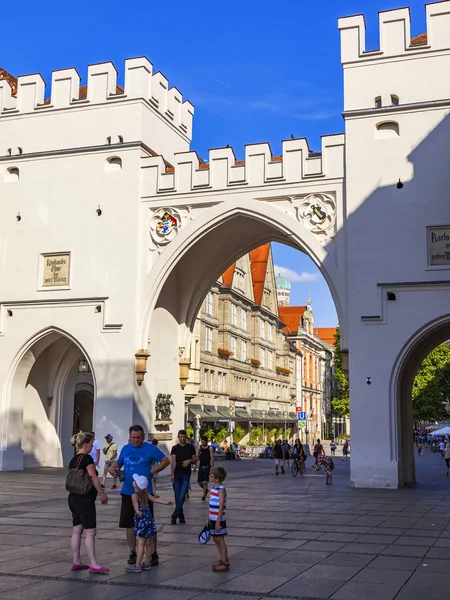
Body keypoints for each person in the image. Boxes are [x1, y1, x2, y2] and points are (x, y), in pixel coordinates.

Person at [109, 425, 170, 566]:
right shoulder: (126, 448)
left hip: (144, 493)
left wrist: (152, 471)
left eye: (138, 438)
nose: (136, 440)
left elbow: (166, 461)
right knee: (129, 525)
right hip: (127, 492)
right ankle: (132, 551)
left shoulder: (150, 448)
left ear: (143, 436)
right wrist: (113, 469)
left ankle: (153, 553)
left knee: (148, 524)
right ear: (130, 437)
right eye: (133, 438)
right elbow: (118, 464)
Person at [68, 431, 109, 573]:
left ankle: (76, 561)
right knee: (90, 532)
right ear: (86, 444)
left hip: (73, 497)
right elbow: (93, 477)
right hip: (85, 499)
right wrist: (102, 494)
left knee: (77, 530)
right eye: (91, 443)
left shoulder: (73, 459)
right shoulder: (87, 459)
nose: (92, 446)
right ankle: (93, 564)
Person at [126, 474, 174, 573]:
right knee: (148, 543)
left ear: (136, 485)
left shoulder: (134, 495)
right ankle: (147, 563)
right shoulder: (146, 493)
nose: (134, 482)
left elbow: (135, 506)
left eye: (135, 481)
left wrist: (137, 511)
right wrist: (165, 502)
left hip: (141, 521)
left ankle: (137, 565)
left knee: (140, 543)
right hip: (149, 520)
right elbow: (155, 499)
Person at [170, 430, 197, 524]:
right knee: (177, 495)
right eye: (181, 437)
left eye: (184, 437)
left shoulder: (190, 447)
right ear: (178, 437)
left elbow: (195, 458)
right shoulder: (175, 448)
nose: (182, 438)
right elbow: (173, 462)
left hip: (186, 474)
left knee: (182, 496)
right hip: (177, 474)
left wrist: (189, 461)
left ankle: (174, 515)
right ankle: (181, 516)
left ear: (186, 437)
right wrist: (172, 474)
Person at [208, 466, 229, 572]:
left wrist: (218, 521)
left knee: (220, 539)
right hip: (212, 517)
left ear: (217, 479)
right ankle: (222, 558)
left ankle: (225, 562)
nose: (209, 477)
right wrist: (209, 518)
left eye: (211, 476)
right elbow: (211, 505)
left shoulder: (221, 489)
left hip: (218, 519)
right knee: (215, 538)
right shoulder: (213, 488)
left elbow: (221, 506)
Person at [198, 436, 214, 501]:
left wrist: (212, 467)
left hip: (207, 467)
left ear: (206, 442)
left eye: (204, 442)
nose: (202, 443)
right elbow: (197, 456)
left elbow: (212, 458)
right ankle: (206, 490)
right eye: (202, 442)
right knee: (199, 482)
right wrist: (194, 466)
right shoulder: (200, 447)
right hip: (201, 466)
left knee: (205, 482)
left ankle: (204, 496)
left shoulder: (210, 448)